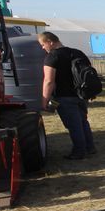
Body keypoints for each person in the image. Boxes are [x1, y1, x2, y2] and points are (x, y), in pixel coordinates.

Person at [39, 31, 96, 160]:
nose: (43, 48)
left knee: (73, 125)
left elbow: (49, 80)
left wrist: (45, 100)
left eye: (43, 44)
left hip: (64, 96)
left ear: (50, 42)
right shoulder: (77, 52)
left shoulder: (52, 57)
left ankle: (79, 151)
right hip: (81, 95)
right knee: (83, 122)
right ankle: (90, 147)